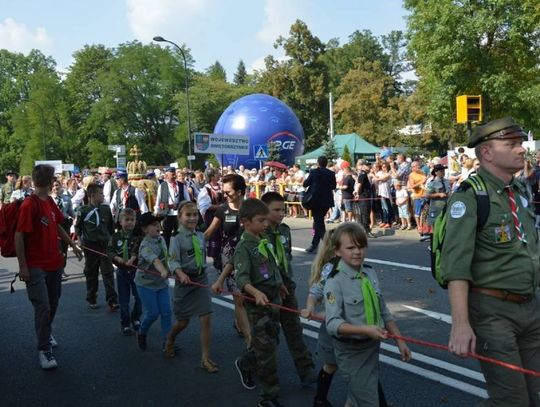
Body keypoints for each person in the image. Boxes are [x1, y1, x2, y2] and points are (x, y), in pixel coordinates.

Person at [441, 117, 540, 406]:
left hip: (530, 307)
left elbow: (528, 252)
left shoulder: (520, 191)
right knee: (511, 399)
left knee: (536, 395)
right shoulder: (470, 197)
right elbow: (456, 266)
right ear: (486, 152)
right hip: (492, 313)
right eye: (511, 144)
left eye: (520, 143)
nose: (521, 150)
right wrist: (460, 324)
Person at [324, 222, 411, 406]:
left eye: (361, 246)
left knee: (356, 399)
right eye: (350, 247)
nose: (357, 252)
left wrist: (400, 341)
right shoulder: (334, 281)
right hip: (351, 352)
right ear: (337, 251)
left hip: (371, 348)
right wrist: (365, 330)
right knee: (368, 400)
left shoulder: (369, 273)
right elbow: (332, 324)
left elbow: (384, 311)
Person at [15, 164, 83, 370]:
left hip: (54, 262)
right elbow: (19, 236)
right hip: (36, 265)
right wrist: (23, 266)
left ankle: (46, 332)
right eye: (54, 178)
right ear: (47, 181)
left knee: (53, 303)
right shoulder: (30, 205)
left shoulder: (50, 201)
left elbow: (58, 226)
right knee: (43, 306)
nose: (56, 181)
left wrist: (72, 245)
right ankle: (44, 349)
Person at [233, 198, 287, 407]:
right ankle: (269, 397)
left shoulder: (263, 240)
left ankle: (245, 363)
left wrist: (280, 284)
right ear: (246, 222)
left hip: (272, 300)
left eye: (266, 220)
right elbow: (242, 278)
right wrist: (254, 292)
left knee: (271, 342)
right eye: (261, 220)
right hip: (257, 306)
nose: (266, 224)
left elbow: (272, 266)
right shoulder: (244, 247)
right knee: (267, 353)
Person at [261, 192, 317, 387]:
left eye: (283, 209)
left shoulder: (284, 231)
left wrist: (286, 282)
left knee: (294, 329)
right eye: (276, 210)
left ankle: (305, 370)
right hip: (269, 291)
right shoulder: (258, 233)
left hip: (287, 288)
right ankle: (247, 364)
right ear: (264, 211)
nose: (281, 213)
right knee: (268, 336)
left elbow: (286, 259)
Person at [164, 201, 218, 373]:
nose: (193, 218)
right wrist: (180, 274)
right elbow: (172, 260)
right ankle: (170, 339)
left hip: (200, 280)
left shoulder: (200, 235)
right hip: (184, 282)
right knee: (183, 322)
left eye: (195, 214)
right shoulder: (176, 238)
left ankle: (205, 358)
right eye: (188, 215)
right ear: (180, 217)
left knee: (206, 318)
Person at [205, 174, 251, 342]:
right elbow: (209, 233)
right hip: (228, 261)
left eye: (228, 192)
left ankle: (240, 321)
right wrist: (189, 241)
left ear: (239, 192)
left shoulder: (251, 208)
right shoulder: (222, 210)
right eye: (223, 192)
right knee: (238, 297)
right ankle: (249, 339)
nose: (225, 195)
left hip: (249, 259)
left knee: (247, 297)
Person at [301, 229, 338, 407]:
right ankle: (320, 400)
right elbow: (316, 290)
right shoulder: (331, 267)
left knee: (363, 370)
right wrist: (310, 308)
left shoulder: (361, 267)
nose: (358, 251)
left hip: (355, 327)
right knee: (331, 365)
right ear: (337, 248)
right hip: (333, 328)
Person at [76, 184, 119, 310]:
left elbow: (111, 228)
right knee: (91, 272)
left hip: (105, 245)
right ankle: (92, 297)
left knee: (108, 272)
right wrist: (79, 240)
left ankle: (112, 300)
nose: (103, 196)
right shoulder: (83, 210)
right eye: (101, 193)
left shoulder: (105, 209)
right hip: (91, 245)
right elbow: (78, 227)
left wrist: (113, 242)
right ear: (93, 195)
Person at [135, 212, 172, 351]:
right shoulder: (145, 246)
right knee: (153, 313)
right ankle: (142, 332)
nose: (158, 226)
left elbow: (167, 257)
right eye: (154, 225)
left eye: (159, 224)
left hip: (161, 283)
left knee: (167, 312)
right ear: (145, 229)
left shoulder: (161, 239)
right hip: (146, 284)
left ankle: (167, 342)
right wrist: (163, 270)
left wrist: (174, 270)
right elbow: (155, 260)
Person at [107, 208, 142, 336]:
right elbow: (110, 251)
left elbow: (137, 249)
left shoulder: (138, 236)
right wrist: (118, 259)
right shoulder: (115, 237)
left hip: (136, 272)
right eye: (126, 220)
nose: (130, 223)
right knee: (124, 300)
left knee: (139, 298)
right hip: (122, 272)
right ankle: (125, 323)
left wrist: (133, 258)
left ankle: (136, 317)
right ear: (120, 221)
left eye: (132, 220)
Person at [303, 156, 337, 253]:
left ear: (318, 163)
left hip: (316, 201)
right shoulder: (331, 173)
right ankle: (314, 245)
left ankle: (330, 245)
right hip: (326, 201)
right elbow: (334, 186)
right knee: (317, 222)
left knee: (319, 224)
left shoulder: (314, 172)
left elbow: (306, 184)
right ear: (326, 163)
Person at [154, 167, 190, 247]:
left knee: (180, 233)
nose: (174, 176)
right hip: (167, 213)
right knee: (167, 234)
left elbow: (187, 199)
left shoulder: (181, 185)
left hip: (179, 214)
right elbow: (158, 199)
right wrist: (157, 211)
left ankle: (180, 249)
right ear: (166, 176)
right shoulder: (162, 186)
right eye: (172, 175)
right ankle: (168, 251)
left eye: (174, 175)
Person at [354, 160, 375, 238]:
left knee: (364, 214)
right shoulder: (362, 174)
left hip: (366, 196)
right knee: (365, 214)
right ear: (363, 166)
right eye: (367, 165)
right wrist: (357, 193)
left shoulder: (364, 174)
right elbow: (359, 184)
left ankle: (364, 231)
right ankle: (367, 231)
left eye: (369, 165)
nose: (369, 167)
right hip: (364, 197)